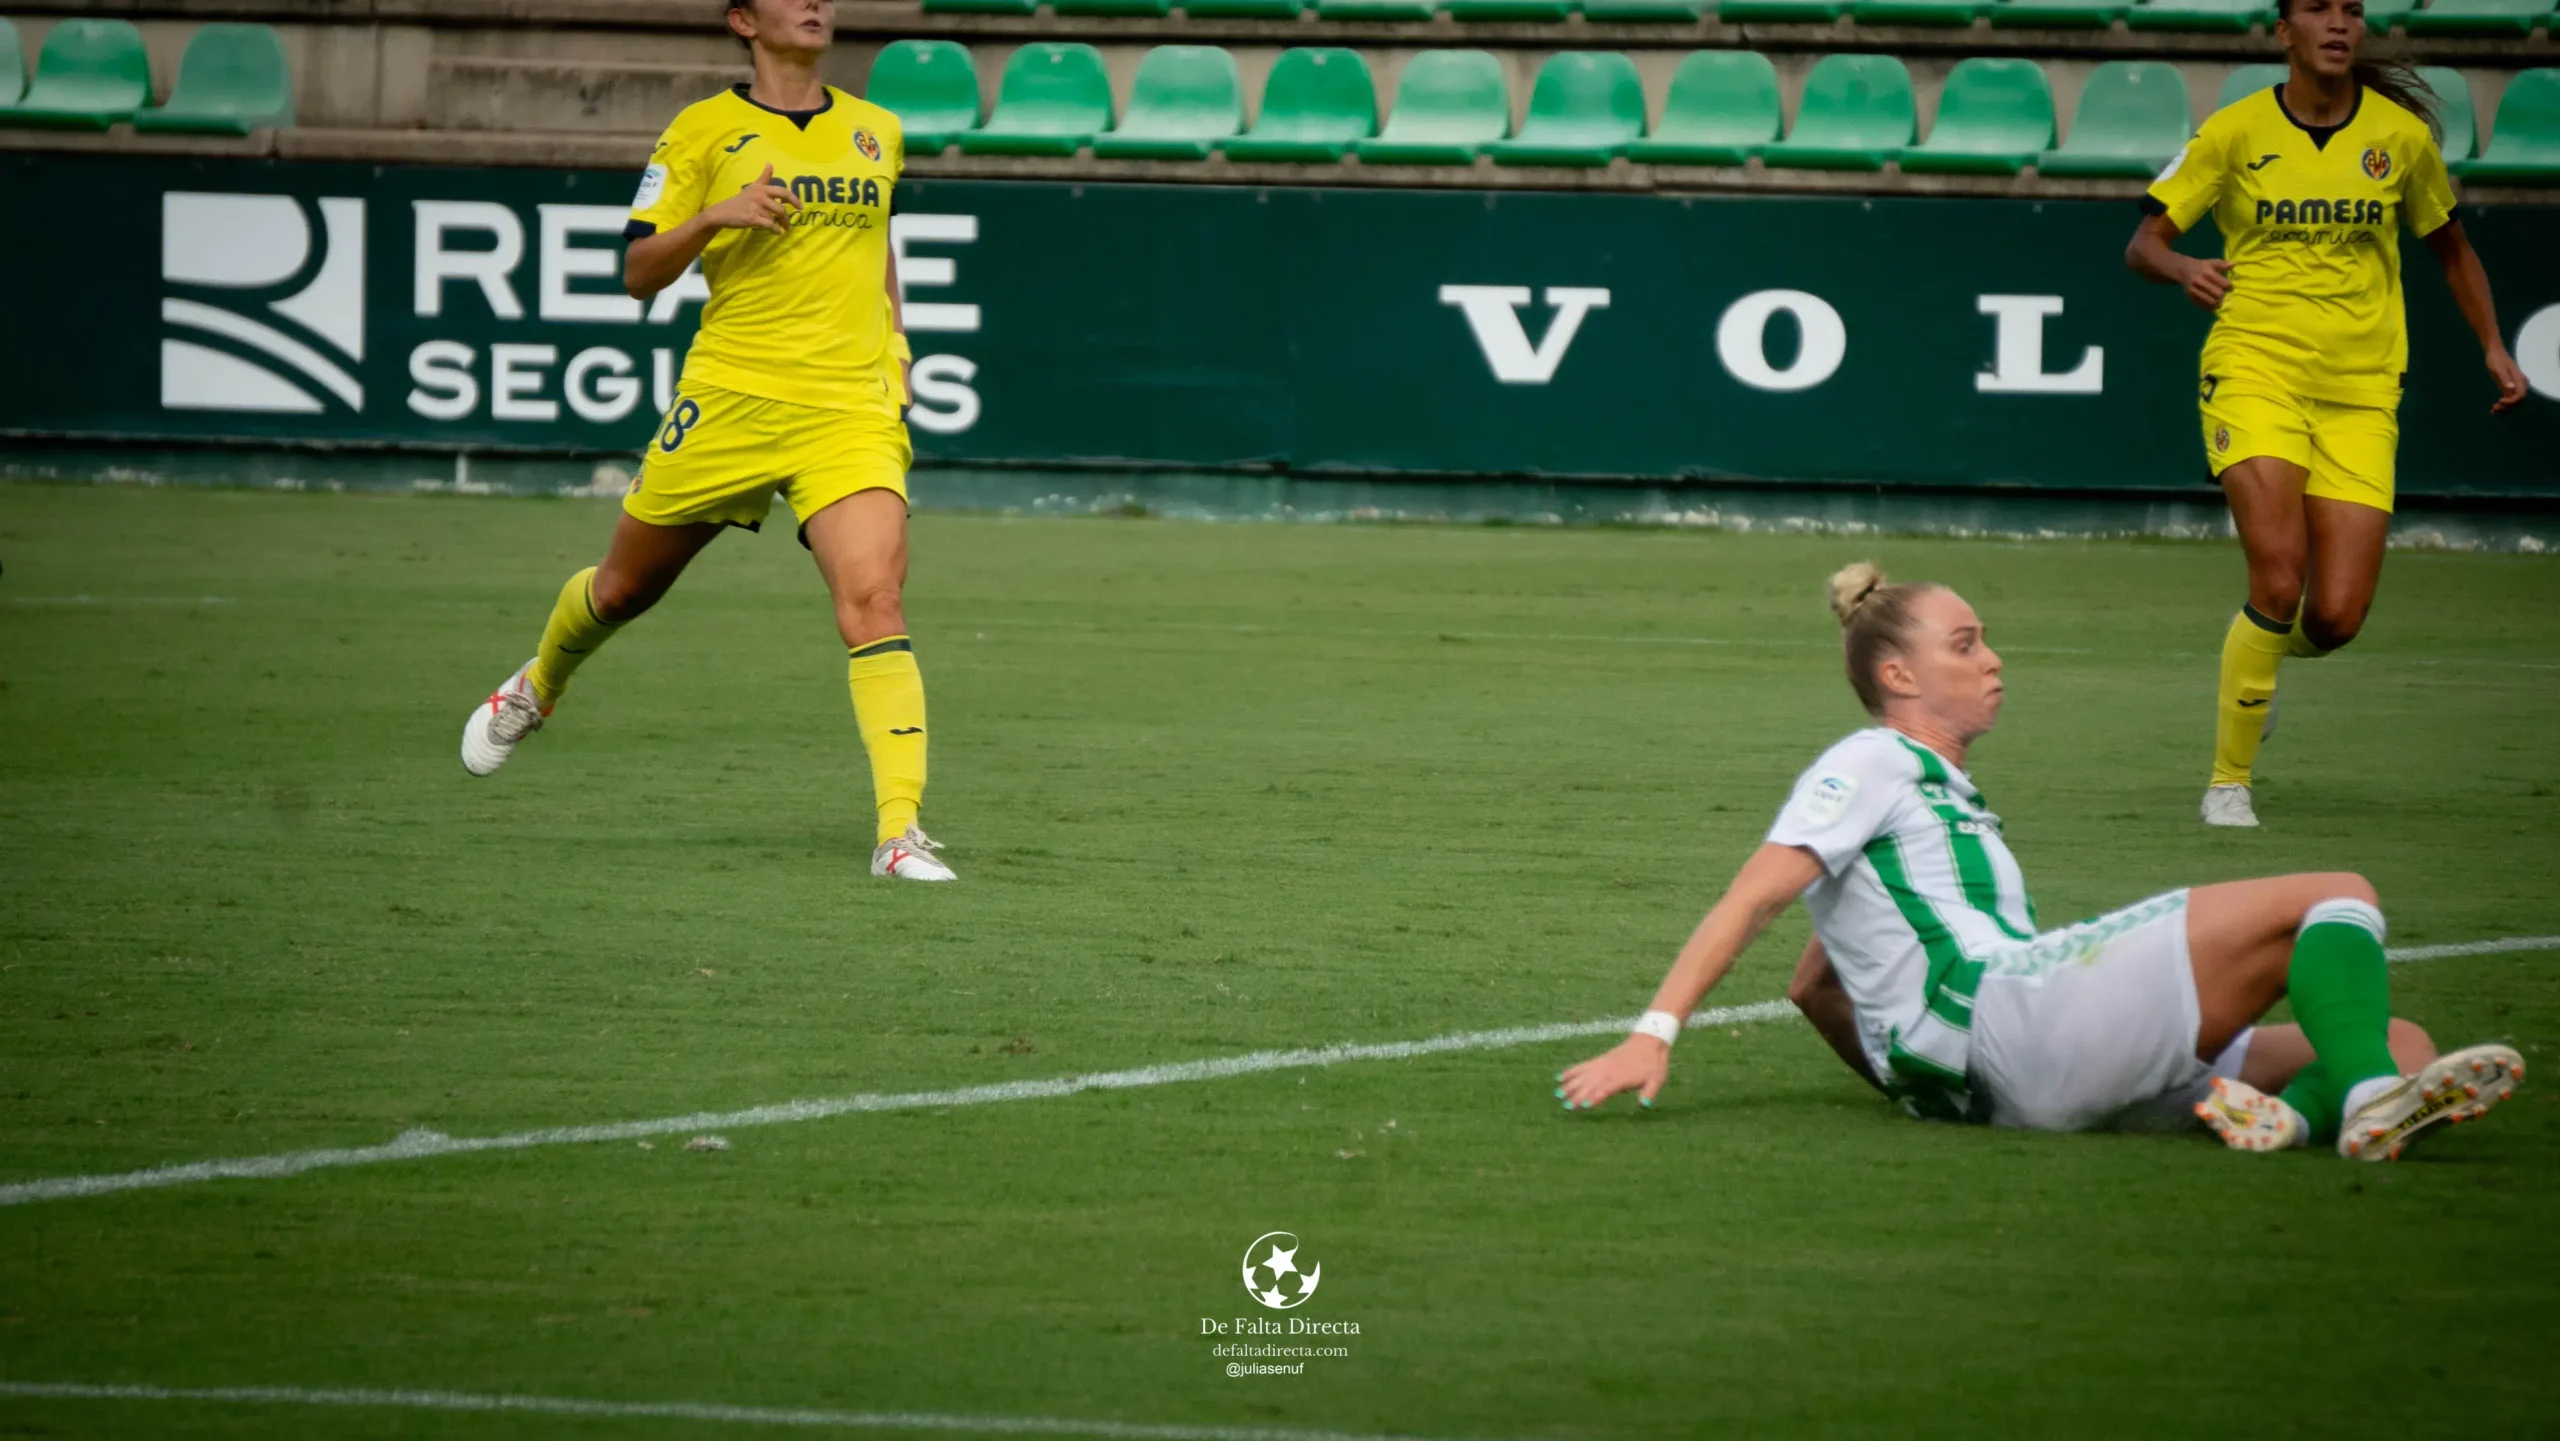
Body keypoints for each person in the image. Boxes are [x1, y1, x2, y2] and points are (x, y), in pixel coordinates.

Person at [1556, 563, 2524, 1160]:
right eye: (1965, 644)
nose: (1992, 659)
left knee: (2403, 1039)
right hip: (2018, 1015)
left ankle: (2302, 1120)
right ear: (1898, 677)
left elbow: (1817, 984)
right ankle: (2360, 1108)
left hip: (2020, 1073)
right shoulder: (1873, 758)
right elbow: (1754, 897)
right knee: (2337, 896)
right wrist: (1655, 1031)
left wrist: (1930, 1094)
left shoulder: (1937, 796)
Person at [456, 0, 955, 882]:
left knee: (874, 598)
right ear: (740, 20)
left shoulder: (878, 130)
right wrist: (717, 214)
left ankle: (898, 831)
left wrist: (900, 349)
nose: (815, 4)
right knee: (621, 591)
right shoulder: (701, 130)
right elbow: (638, 272)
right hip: (730, 399)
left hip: (847, 407)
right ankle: (537, 685)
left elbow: (878, 248)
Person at [2124, 0, 2528, 829]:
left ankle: (2260, 660)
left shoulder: (2401, 139)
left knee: (2336, 616)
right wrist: (2181, 269)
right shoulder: (2234, 133)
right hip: (2254, 367)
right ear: (2284, 31)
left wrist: (2492, 344)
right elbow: (2143, 244)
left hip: (2362, 387)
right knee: (2278, 573)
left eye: (2352, 10)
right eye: (2318, 9)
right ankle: (2229, 781)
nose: (2339, 23)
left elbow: (2450, 246)